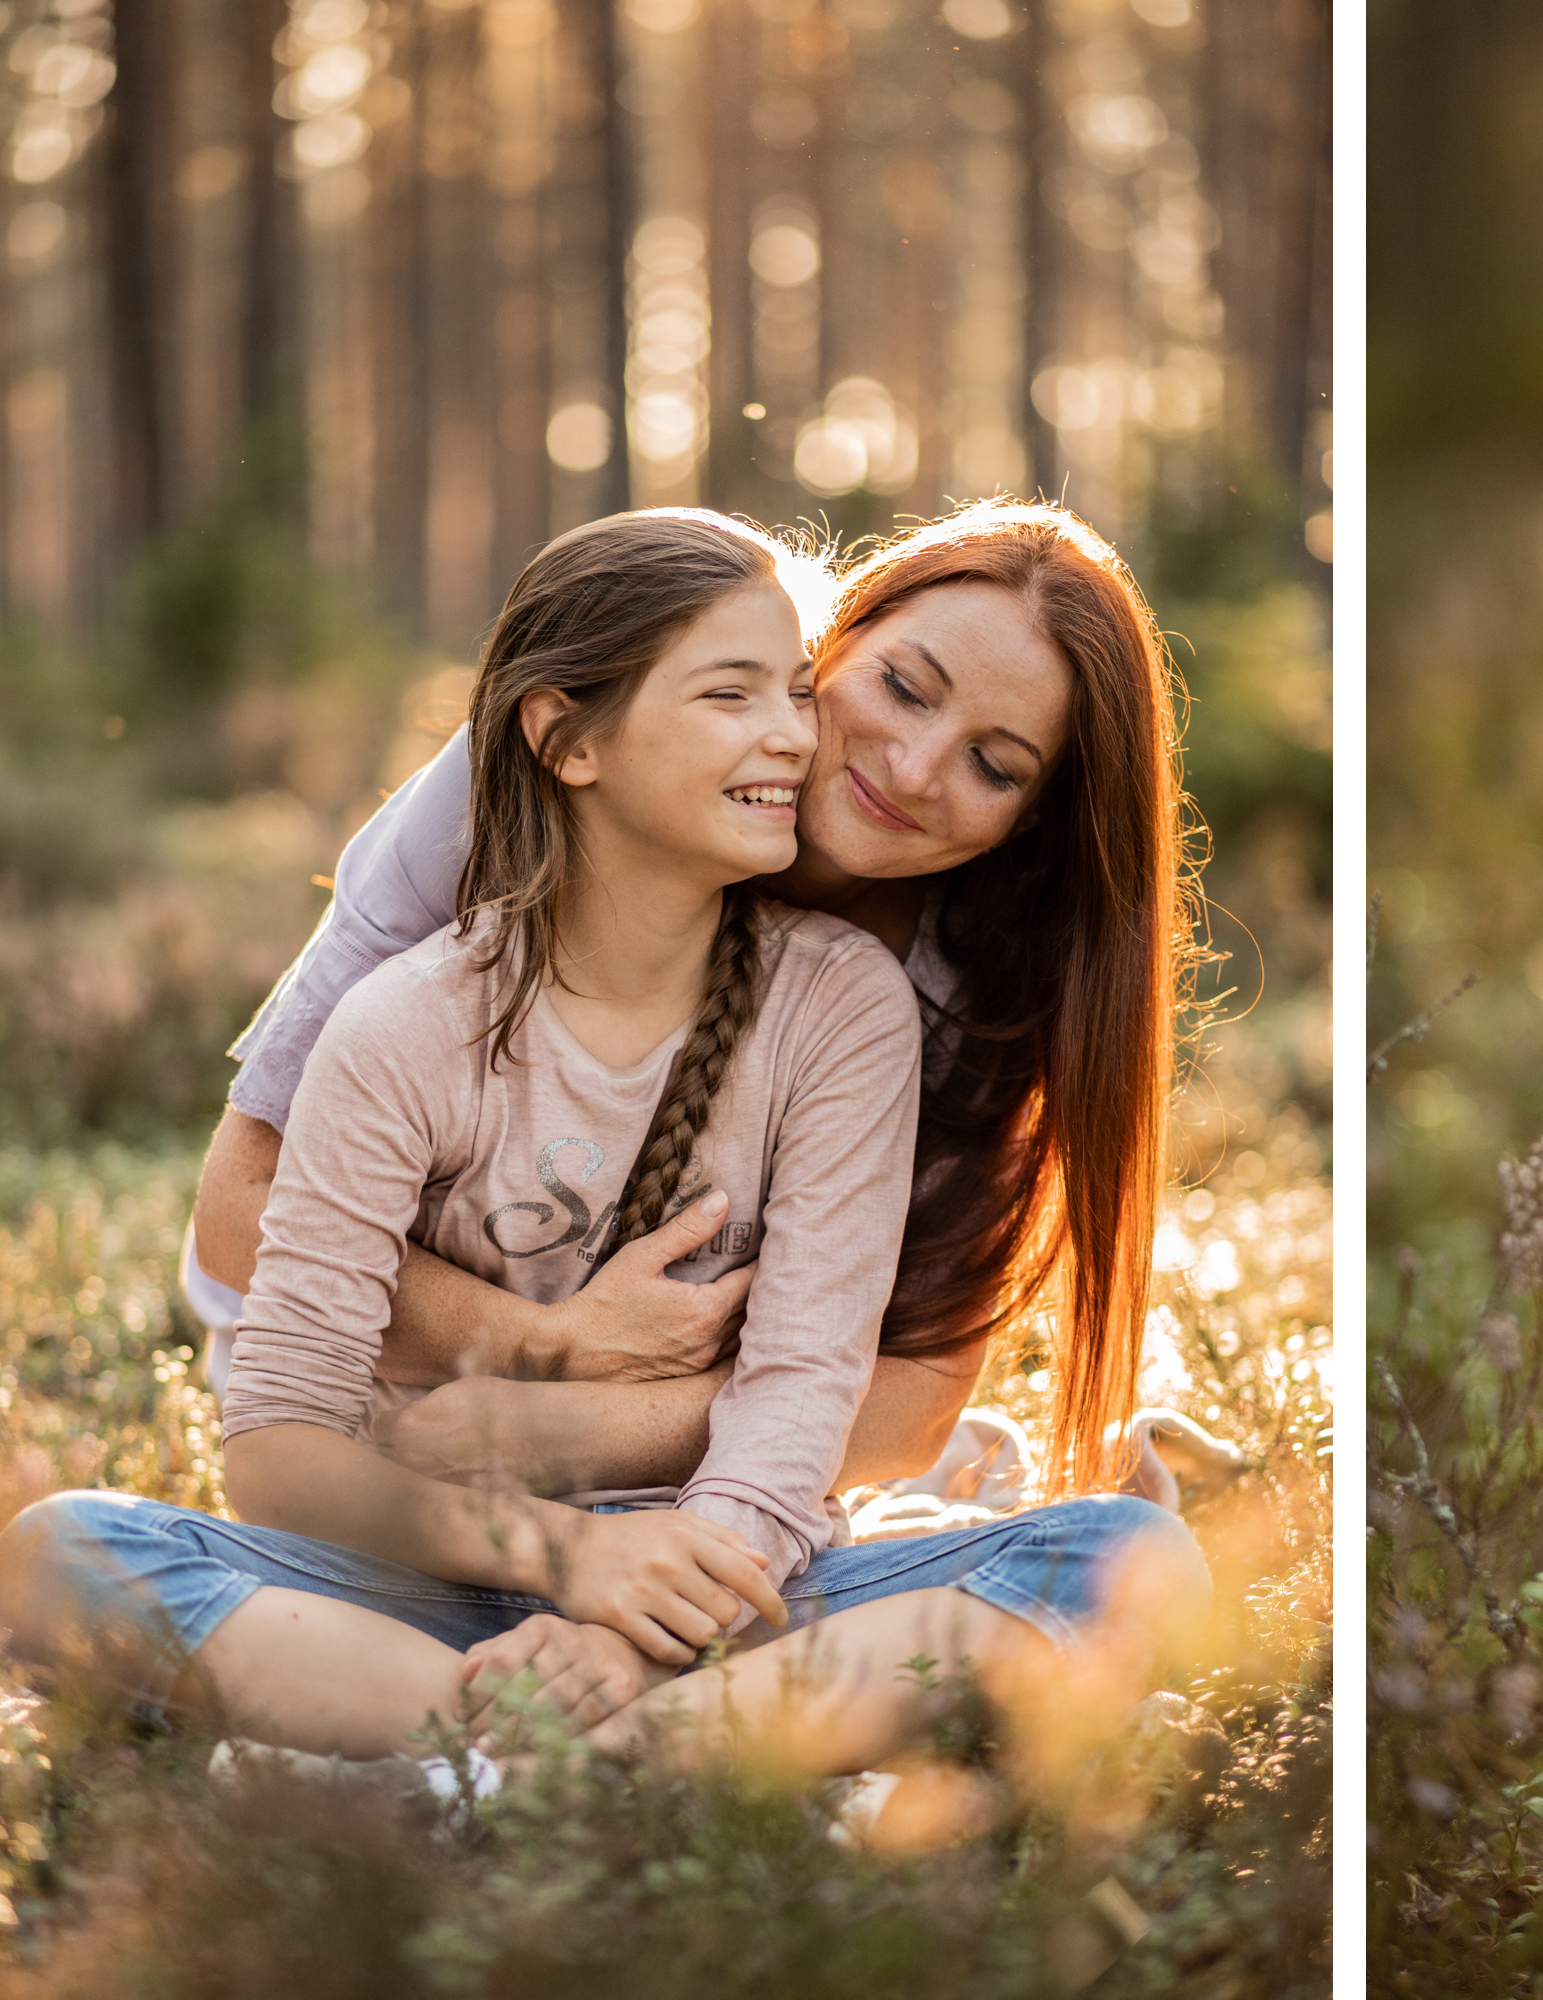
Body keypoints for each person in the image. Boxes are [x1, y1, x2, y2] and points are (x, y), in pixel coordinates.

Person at [1, 509, 1206, 1776]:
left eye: (994, 765)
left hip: (713, 1547)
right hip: (398, 1489)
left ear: (1030, 819)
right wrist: (538, 1358)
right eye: (899, 685)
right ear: (824, 649)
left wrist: (577, 1469)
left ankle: (505, 1773)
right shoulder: (447, 928)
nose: (908, 766)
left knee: (1124, 1561)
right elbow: (247, 1224)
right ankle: (616, 1769)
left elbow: (874, 1402)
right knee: (60, 1554)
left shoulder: (891, 1002)